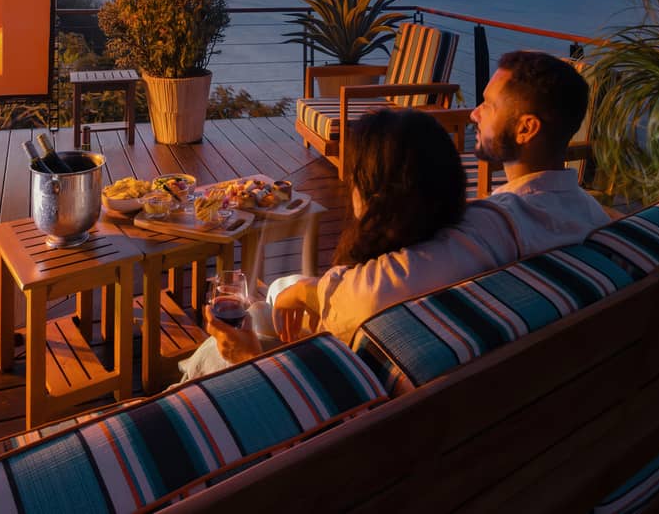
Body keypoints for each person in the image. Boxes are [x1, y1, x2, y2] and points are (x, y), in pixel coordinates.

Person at [192, 50, 611, 371]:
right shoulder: (593, 217)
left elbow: (369, 291)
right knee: (267, 304)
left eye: (488, 105)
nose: (474, 113)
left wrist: (302, 292)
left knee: (226, 342)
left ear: (526, 127)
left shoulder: (495, 229)